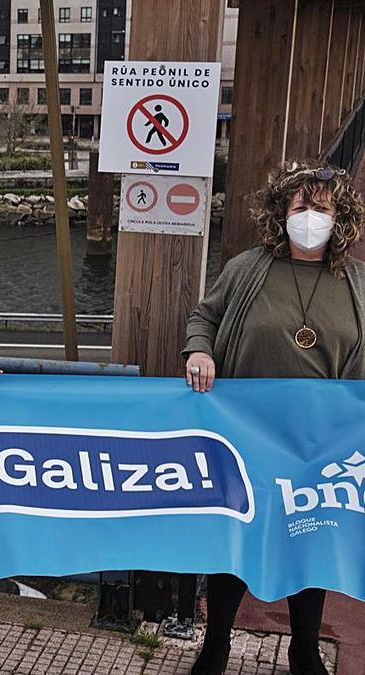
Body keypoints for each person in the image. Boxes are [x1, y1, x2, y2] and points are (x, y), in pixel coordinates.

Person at [183, 161, 365, 675]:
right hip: (245, 437)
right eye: (301, 206)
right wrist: (199, 351)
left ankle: (304, 646)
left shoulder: (358, 282)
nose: (310, 216)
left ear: (341, 216)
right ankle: (216, 641)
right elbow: (206, 317)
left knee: (313, 539)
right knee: (236, 541)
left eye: (322, 208)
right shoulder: (247, 268)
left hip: (320, 444)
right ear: (281, 212)